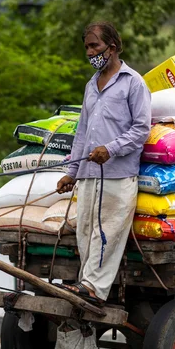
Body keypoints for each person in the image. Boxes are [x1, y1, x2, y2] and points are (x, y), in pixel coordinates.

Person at [56, 21, 152, 305]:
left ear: (111, 48)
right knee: (85, 232)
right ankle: (86, 284)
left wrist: (110, 149)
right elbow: (82, 133)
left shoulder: (133, 82)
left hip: (117, 175)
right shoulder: (90, 85)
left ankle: (94, 289)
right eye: (86, 47)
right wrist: (71, 171)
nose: (90, 52)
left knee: (107, 232)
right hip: (87, 174)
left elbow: (141, 129)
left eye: (94, 46)